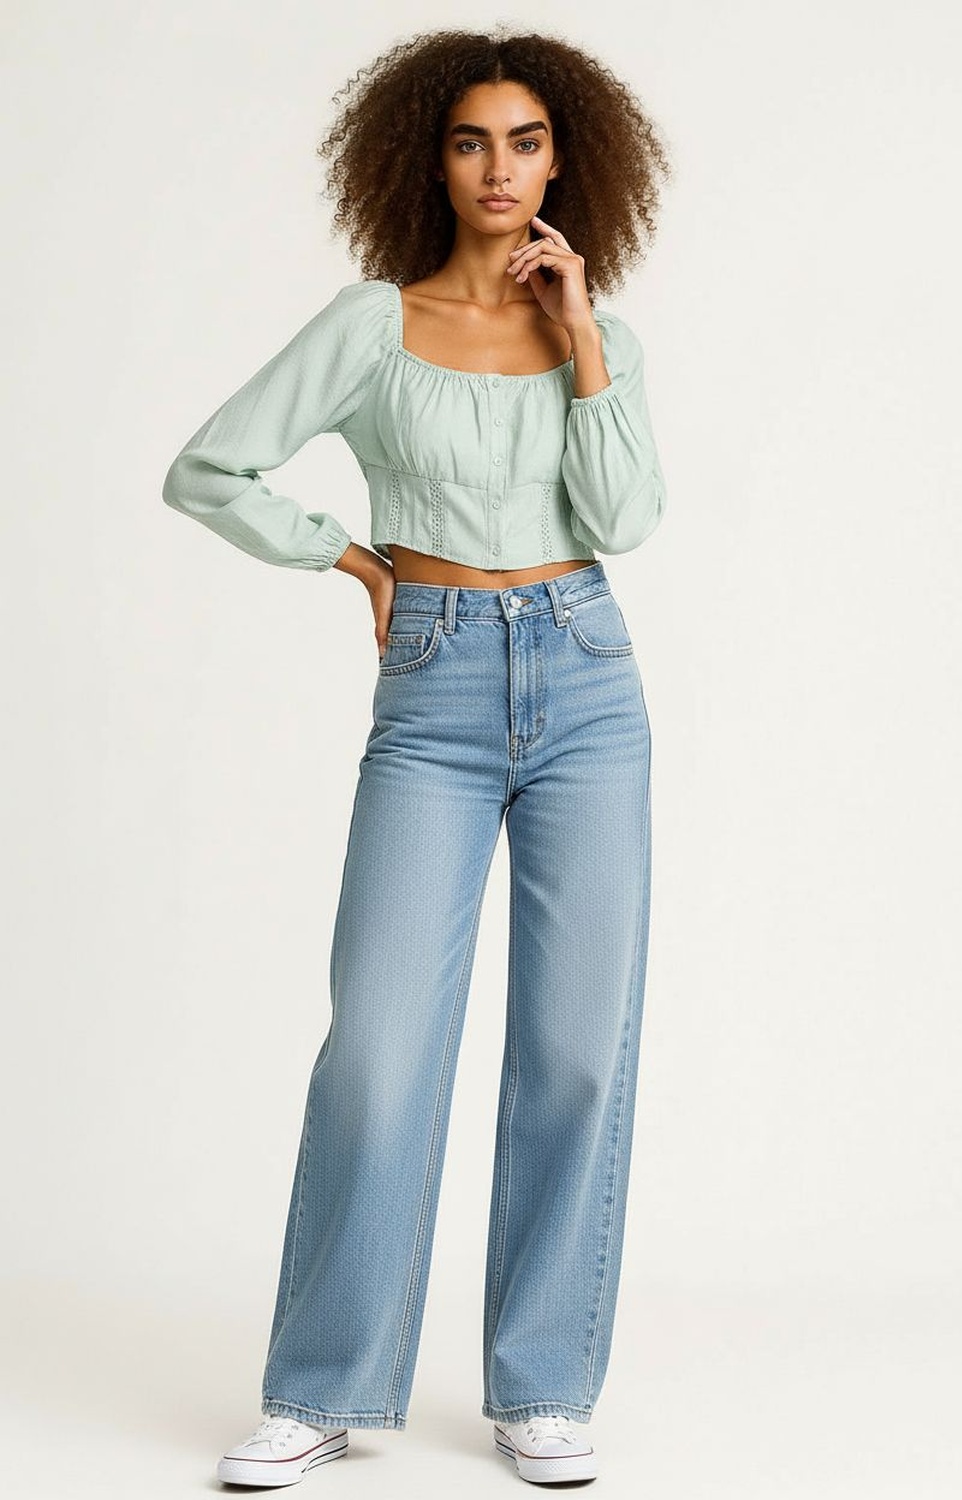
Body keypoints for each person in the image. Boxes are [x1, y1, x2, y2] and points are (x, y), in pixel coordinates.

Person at [162, 25, 671, 1490]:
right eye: (469, 141)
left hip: (587, 681)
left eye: (525, 142)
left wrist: (581, 334)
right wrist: (350, 557)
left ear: (565, 162)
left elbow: (626, 520)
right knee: (379, 1051)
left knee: (576, 1053)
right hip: (435, 689)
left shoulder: (600, 339)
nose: (499, 169)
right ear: (427, 161)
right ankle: (320, 1389)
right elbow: (209, 467)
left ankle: (544, 1388)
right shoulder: (369, 324)